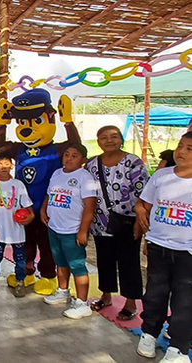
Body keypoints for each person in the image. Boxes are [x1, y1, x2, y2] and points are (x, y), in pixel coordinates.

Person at [0, 89, 80, 295]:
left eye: (35, 122)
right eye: (22, 123)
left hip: (47, 210)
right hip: (23, 209)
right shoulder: (20, 149)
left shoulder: (57, 150)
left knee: (47, 244)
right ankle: (27, 271)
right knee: (25, 242)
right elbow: (1, 147)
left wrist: (68, 122)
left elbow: (75, 146)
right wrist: (1, 124)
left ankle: (49, 276)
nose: (26, 130)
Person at [135, 132, 192, 363]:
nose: (181, 152)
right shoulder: (161, 176)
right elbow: (144, 203)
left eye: (190, 149)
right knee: (155, 293)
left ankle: (178, 347)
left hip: (187, 252)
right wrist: (140, 211)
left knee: (184, 299)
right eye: (180, 146)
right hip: (158, 246)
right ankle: (149, 333)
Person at [84, 126, 148, 321]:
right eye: (104, 137)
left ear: (121, 139)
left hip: (127, 222)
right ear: (98, 141)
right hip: (99, 222)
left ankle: (130, 302)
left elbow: (144, 192)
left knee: (128, 262)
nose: (109, 140)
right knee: (105, 260)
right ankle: (106, 296)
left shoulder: (133, 162)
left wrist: (140, 221)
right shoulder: (92, 165)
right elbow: (88, 192)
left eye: (114, 136)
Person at [41, 143, 97, 320]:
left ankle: (82, 302)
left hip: (72, 230)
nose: (69, 158)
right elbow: (49, 195)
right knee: (61, 262)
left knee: (77, 265)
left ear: (83, 160)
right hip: (55, 227)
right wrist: (43, 210)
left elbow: (89, 207)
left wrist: (82, 231)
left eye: (75, 155)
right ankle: (62, 291)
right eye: (67, 154)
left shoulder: (85, 177)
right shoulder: (57, 173)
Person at [0, 152, 34, 297]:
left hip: (17, 231)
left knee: (20, 259)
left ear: (11, 165)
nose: (3, 167)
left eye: (6, 164)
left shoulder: (18, 184)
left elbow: (27, 205)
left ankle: (20, 282)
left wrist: (31, 215)